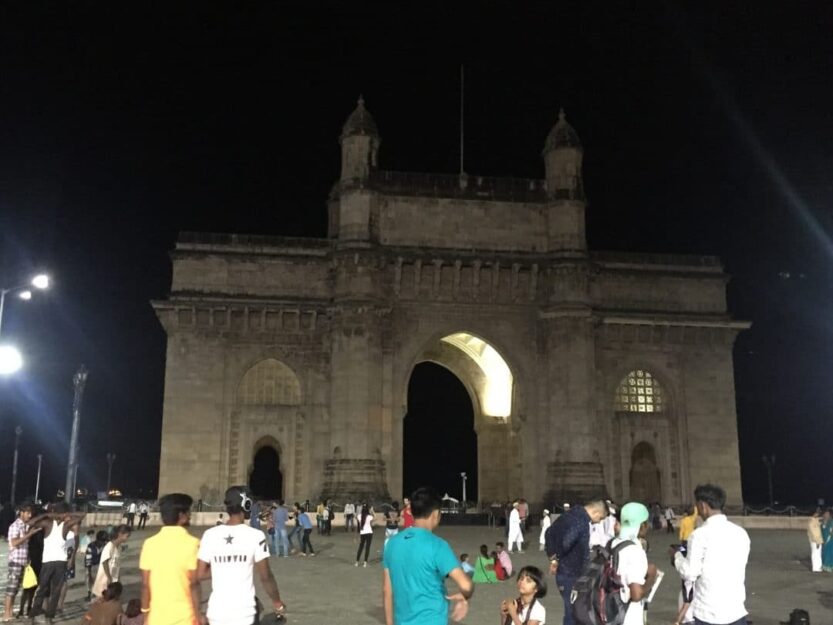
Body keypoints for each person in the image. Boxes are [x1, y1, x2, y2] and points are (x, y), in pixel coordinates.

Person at [382, 487, 473, 625]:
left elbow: (387, 590)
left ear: (411, 512)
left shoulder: (391, 544)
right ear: (436, 514)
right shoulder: (438, 545)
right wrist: (465, 598)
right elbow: (466, 585)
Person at [197, 486, 286, 625]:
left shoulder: (209, 535)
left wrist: (223, 566)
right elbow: (266, 576)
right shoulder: (256, 536)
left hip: (216, 613)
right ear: (247, 505)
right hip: (244, 613)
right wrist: (277, 602)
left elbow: (200, 574)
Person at [671, 484, 750, 625]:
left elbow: (690, 573)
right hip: (736, 611)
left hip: (708, 614)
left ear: (702, 506)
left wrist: (676, 557)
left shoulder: (699, 535)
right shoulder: (741, 533)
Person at [139, 493, 201, 625]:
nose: (190, 515)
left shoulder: (149, 544)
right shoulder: (193, 543)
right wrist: (198, 616)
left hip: (156, 619)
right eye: (188, 511)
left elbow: (145, 585)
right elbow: (194, 585)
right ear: (181, 516)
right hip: (186, 619)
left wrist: (145, 614)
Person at [545, 499, 608, 625]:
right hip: (571, 573)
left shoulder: (569, 514)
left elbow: (548, 533)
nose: (598, 521)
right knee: (573, 613)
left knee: (572, 611)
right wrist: (557, 558)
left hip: (565, 572)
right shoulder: (581, 521)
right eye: (600, 518)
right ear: (596, 512)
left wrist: (552, 558)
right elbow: (566, 542)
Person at [29, 502, 86, 624]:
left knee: (47, 590)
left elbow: (82, 515)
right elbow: (29, 523)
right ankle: (40, 617)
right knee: (49, 590)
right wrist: (48, 514)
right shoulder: (50, 523)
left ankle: (38, 617)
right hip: (55, 562)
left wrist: (50, 514)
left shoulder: (63, 525)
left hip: (55, 562)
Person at [611, 502, 658, 625]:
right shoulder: (635, 551)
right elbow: (636, 594)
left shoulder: (612, 543)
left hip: (609, 613)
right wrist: (652, 576)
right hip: (628, 617)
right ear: (642, 525)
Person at [4, 503, 42, 621]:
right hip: (15, 562)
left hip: (23, 563)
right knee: (11, 589)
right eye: (27, 513)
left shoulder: (25, 526)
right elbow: (14, 543)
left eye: (31, 513)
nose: (30, 515)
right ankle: (6, 614)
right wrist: (29, 534)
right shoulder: (15, 526)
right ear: (21, 512)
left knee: (15, 590)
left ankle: (9, 613)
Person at [92, 525, 131, 599]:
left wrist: (118, 577)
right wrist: (109, 577)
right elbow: (105, 562)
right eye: (127, 536)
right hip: (105, 578)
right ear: (120, 534)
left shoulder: (119, 547)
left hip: (114, 578)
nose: (127, 538)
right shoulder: (109, 546)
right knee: (102, 599)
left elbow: (117, 564)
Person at [85, 530, 109, 602]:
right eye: (102, 541)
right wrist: (89, 574)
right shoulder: (90, 546)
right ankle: (89, 594)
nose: (104, 542)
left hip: (101, 565)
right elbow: (88, 561)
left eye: (105, 541)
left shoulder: (105, 546)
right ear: (98, 540)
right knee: (90, 581)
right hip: (91, 565)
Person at [355, 503, 374, 567]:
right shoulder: (369, 516)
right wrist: (372, 511)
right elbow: (374, 517)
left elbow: (357, 517)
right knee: (367, 548)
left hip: (362, 533)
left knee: (361, 547)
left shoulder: (359, 516)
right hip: (369, 533)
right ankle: (365, 563)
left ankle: (357, 562)